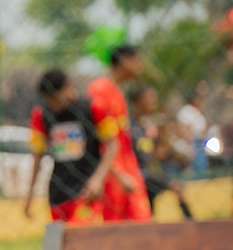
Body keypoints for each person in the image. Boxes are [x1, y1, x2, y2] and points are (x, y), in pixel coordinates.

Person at [23, 68, 119, 224]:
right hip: (58, 192)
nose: (53, 104)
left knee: (80, 233)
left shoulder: (94, 107)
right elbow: (37, 155)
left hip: (86, 189)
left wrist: (98, 179)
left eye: (55, 98)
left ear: (68, 87)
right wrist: (30, 194)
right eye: (49, 100)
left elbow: (113, 145)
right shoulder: (41, 114)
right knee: (61, 237)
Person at [87, 44, 152, 222]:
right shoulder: (99, 90)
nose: (140, 66)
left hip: (128, 168)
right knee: (115, 228)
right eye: (137, 61)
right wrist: (119, 175)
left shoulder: (118, 92)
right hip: (112, 174)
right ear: (124, 61)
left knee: (141, 222)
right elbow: (99, 141)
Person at [128, 84, 193, 218]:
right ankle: (192, 222)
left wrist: (167, 140)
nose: (154, 102)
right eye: (149, 98)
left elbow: (158, 154)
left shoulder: (149, 126)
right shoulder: (129, 126)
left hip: (149, 174)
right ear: (137, 102)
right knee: (176, 188)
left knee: (149, 209)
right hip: (138, 173)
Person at [176, 81, 212, 178]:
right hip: (192, 141)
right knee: (197, 164)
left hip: (201, 140)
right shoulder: (187, 110)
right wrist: (189, 143)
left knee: (202, 163)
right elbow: (184, 128)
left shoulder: (198, 111)